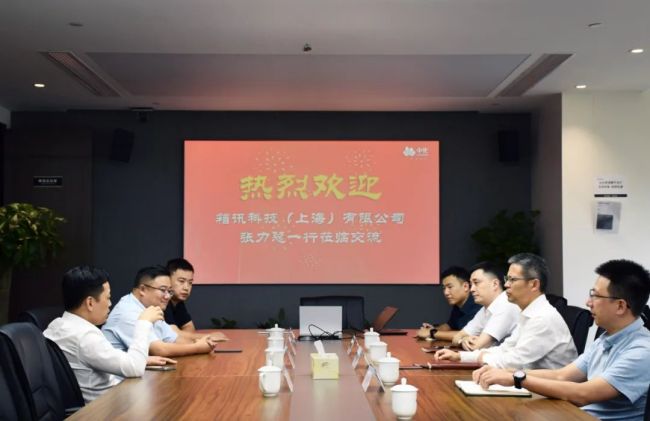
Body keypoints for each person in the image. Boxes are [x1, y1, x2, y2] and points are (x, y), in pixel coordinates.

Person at [473, 259, 650, 421]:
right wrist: (508, 372)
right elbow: (562, 375)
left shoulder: (641, 351)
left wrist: (517, 379)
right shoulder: (606, 339)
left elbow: (583, 394)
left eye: (596, 296)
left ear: (620, 306)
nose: (588, 302)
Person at [44, 266, 176, 403]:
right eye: (107, 298)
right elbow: (135, 368)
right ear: (90, 303)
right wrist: (144, 322)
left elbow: (100, 357)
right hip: (106, 407)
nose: (110, 304)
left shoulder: (56, 325)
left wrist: (143, 359)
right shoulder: (85, 336)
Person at [435, 253, 577, 369]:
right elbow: (506, 349)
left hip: (551, 393)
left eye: (512, 280)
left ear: (534, 284)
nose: (507, 284)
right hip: (530, 383)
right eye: (507, 279)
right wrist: (460, 356)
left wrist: (479, 357)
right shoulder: (527, 313)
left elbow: (513, 362)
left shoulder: (542, 318)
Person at [102, 266, 224, 357]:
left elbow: (175, 339)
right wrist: (197, 347)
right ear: (143, 289)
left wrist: (200, 342)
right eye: (162, 290)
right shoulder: (127, 312)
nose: (167, 296)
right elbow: (159, 350)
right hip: (118, 381)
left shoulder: (151, 308)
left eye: (169, 291)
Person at [451, 261, 520, 350]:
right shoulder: (485, 308)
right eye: (471, 285)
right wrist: (464, 339)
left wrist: (465, 340)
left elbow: (476, 347)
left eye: (476, 283)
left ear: (495, 284)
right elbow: (457, 337)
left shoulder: (506, 305)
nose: (471, 289)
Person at [416, 266, 481, 341]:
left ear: (465, 286)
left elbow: (466, 334)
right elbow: (449, 326)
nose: (446, 292)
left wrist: (432, 333)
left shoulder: (477, 305)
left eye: (450, 287)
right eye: (444, 288)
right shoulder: (458, 304)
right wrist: (432, 329)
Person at [165, 258, 197, 332]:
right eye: (181, 281)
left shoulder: (178, 302)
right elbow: (175, 335)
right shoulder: (163, 300)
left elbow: (190, 328)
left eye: (190, 283)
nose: (186, 288)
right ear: (168, 280)